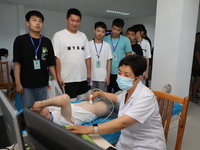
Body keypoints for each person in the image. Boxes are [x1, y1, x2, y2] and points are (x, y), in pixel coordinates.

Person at [67, 55, 166, 150]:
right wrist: (99, 93)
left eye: (126, 75)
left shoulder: (146, 97)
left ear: (138, 78)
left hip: (146, 146)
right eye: (119, 73)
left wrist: (89, 129)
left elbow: (123, 123)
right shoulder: (127, 92)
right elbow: (118, 98)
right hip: (125, 144)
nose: (121, 76)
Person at [13, 10, 56, 108]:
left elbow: (50, 64)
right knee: (28, 111)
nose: (38, 23)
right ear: (27, 23)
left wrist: (56, 80)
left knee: (43, 111)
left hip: (43, 84)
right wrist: (18, 83)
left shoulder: (46, 42)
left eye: (40, 21)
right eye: (34, 20)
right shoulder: (20, 40)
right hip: (26, 85)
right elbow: (17, 64)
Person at [52, 8, 91, 102]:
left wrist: (89, 74)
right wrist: (58, 76)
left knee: (83, 105)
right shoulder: (59, 36)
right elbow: (56, 58)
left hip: (83, 78)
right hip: (67, 79)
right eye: (72, 20)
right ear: (67, 19)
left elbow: (88, 57)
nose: (75, 23)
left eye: (77, 21)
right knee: (70, 105)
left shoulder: (83, 36)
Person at [32, 94, 119, 126]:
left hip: (101, 100)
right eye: (36, 111)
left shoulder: (50, 110)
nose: (37, 108)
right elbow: (65, 98)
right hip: (110, 108)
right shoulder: (59, 121)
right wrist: (41, 104)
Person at [103, 18, 132, 93]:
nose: (115, 31)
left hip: (120, 72)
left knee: (120, 94)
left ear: (122, 30)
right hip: (107, 72)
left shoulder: (125, 40)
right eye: (114, 29)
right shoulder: (105, 39)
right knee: (107, 94)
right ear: (111, 27)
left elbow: (129, 56)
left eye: (118, 30)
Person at [89, 21, 112, 92]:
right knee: (91, 98)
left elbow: (109, 62)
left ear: (105, 33)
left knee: (102, 99)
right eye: (98, 31)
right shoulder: (88, 44)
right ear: (94, 31)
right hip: (91, 77)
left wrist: (108, 76)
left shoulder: (107, 45)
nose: (100, 33)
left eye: (102, 31)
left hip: (103, 77)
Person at [191, 32, 200, 103]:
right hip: (197, 66)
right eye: (197, 36)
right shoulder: (197, 45)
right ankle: (193, 95)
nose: (198, 38)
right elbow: (197, 54)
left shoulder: (195, 44)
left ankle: (194, 93)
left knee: (196, 79)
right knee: (198, 80)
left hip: (195, 66)